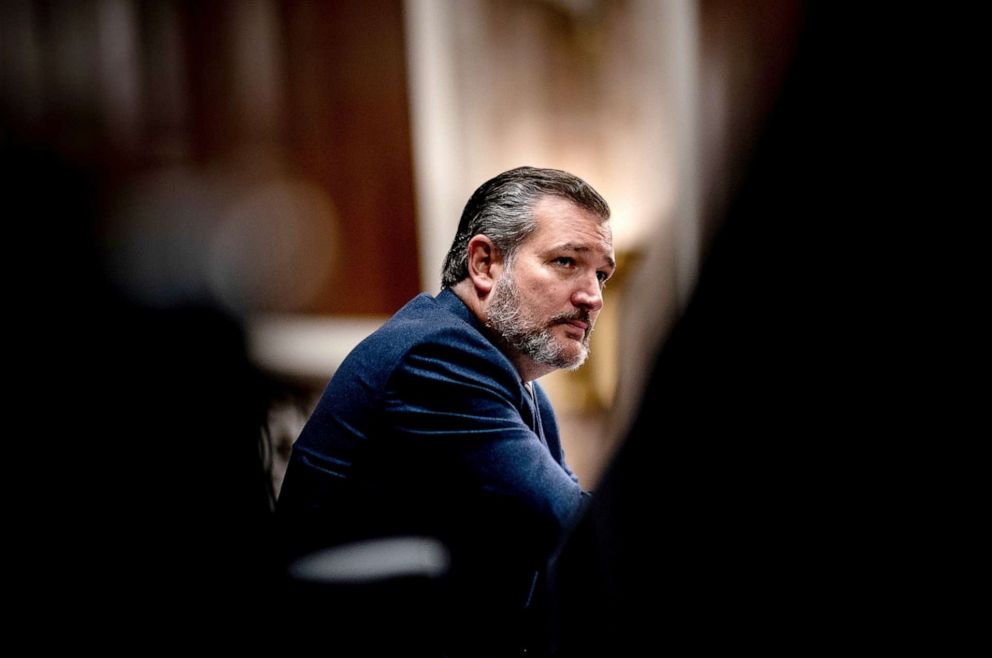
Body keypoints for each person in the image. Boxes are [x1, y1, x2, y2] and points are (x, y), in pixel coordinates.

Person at [276, 166, 615, 656]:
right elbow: (571, 531)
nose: (593, 297)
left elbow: (557, 556)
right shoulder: (435, 358)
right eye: (566, 262)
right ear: (484, 263)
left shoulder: (517, 382)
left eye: (602, 274)